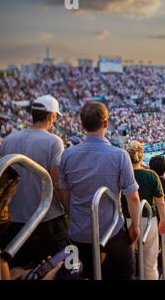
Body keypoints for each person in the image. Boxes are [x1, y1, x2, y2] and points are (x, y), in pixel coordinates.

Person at [59, 101, 140, 280]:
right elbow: (132, 197)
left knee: (85, 274)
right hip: (111, 230)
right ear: (105, 123)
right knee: (125, 274)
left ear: (82, 125)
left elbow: (65, 194)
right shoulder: (120, 155)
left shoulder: (67, 155)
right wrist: (135, 226)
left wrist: (75, 218)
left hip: (79, 232)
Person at [0, 95, 71, 268]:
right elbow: (56, 183)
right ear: (51, 117)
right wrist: (69, 211)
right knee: (58, 268)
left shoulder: (8, 140)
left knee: (20, 271)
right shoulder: (54, 141)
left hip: (16, 221)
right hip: (47, 220)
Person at [121, 141, 165, 280]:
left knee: (127, 264)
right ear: (141, 156)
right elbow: (160, 202)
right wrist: (163, 221)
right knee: (149, 264)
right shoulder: (151, 175)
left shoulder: (122, 174)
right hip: (148, 221)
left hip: (127, 221)